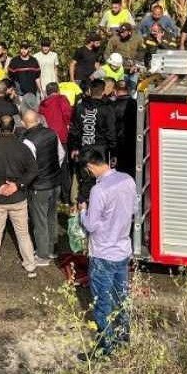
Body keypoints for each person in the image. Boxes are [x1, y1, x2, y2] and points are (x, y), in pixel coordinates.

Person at [77, 148, 135, 360]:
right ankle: (123, 338)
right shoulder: (127, 179)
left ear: (90, 167)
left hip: (103, 253)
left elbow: (91, 225)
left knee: (102, 304)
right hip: (122, 249)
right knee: (121, 298)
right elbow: (133, 208)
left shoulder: (98, 190)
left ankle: (104, 349)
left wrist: (83, 210)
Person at [0, 115, 40, 283]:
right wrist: (17, 185)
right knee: (23, 233)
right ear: (14, 128)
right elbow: (33, 170)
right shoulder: (22, 147)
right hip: (18, 198)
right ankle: (30, 265)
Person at [22, 110, 64, 261]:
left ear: (23, 122)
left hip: (39, 186)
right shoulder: (52, 133)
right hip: (55, 182)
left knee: (40, 221)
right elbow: (61, 155)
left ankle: (42, 254)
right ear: (39, 119)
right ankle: (52, 249)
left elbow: (28, 167)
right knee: (52, 217)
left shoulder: (27, 141)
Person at [69, 79, 118, 205]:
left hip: (84, 148)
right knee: (101, 181)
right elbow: (111, 132)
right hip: (100, 151)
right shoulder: (107, 109)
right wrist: (113, 152)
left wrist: (74, 147)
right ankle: (95, 208)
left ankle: (82, 207)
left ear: (90, 91)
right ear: (103, 92)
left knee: (85, 181)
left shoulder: (80, 107)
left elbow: (74, 130)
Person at [8, 42, 42, 111]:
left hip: (32, 93)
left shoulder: (34, 61)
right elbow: (10, 78)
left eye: (25, 48)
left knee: (33, 113)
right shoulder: (14, 61)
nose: (23, 50)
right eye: (22, 48)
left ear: (29, 49)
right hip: (20, 94)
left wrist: (41, 91)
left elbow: (37, 78)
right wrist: (13, 91)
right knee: (21, 114)